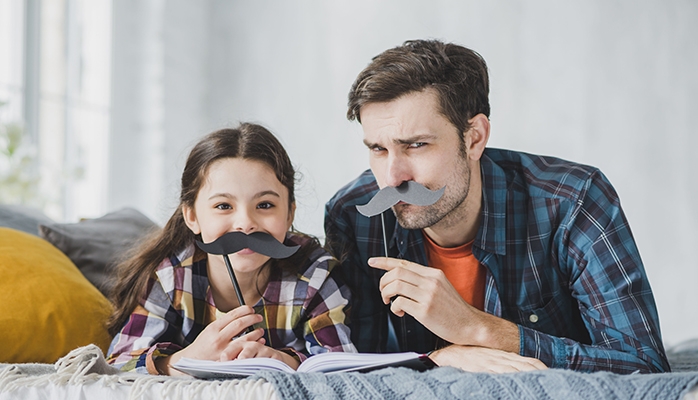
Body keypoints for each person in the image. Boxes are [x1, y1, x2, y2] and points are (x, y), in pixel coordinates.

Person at [324, 39, 669, 374]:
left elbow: (644, 366)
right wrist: (439, 358)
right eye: (378, 150)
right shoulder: (353, 216)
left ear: (474, 137)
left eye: (416, 145)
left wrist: (481, 330)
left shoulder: (573, 201)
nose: (392, 178)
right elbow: (353, 368)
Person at [107, 123, 356, 375]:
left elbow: (340, 366)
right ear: (192, 216)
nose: (245, 224)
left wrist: (282, 362)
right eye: (224, 206)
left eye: (265, 204)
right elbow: (119, 366)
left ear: (290, 212)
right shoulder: (170, 276)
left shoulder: (316, 275)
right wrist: (186, 359)